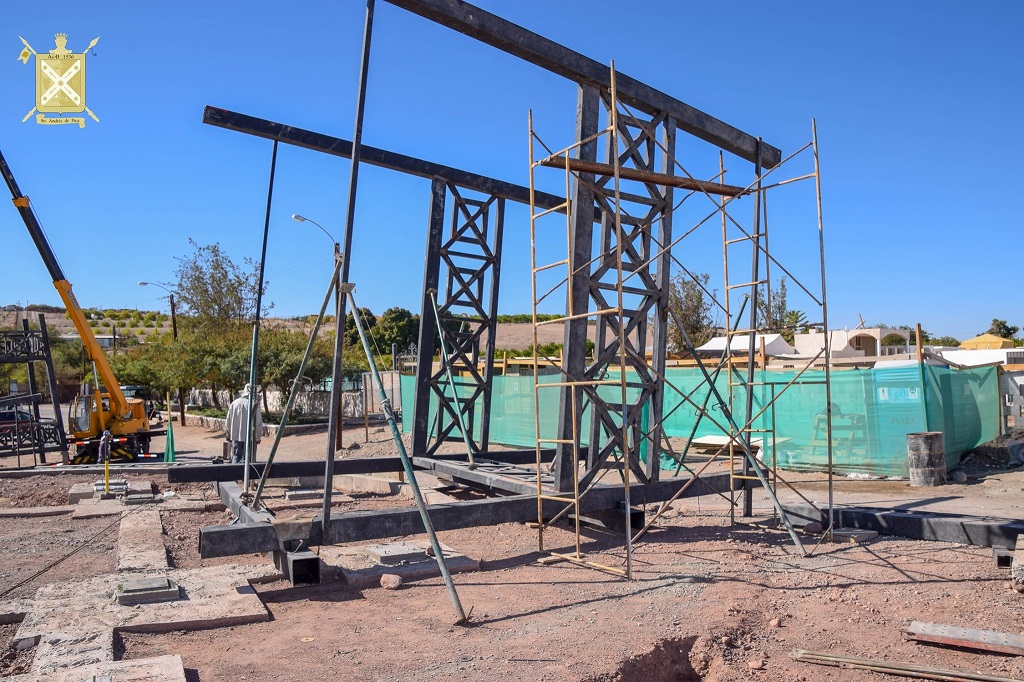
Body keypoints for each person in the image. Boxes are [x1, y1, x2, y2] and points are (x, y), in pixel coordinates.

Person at [225, 384, 262, 464]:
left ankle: (235, 471)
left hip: (236, 436)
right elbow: (258, 422)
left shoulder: (234, 403)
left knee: (236, 456)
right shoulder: (254, 405)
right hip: (250, 437)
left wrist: (228, 432)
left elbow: (228, 420)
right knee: (248, 459)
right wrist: (258, 437)